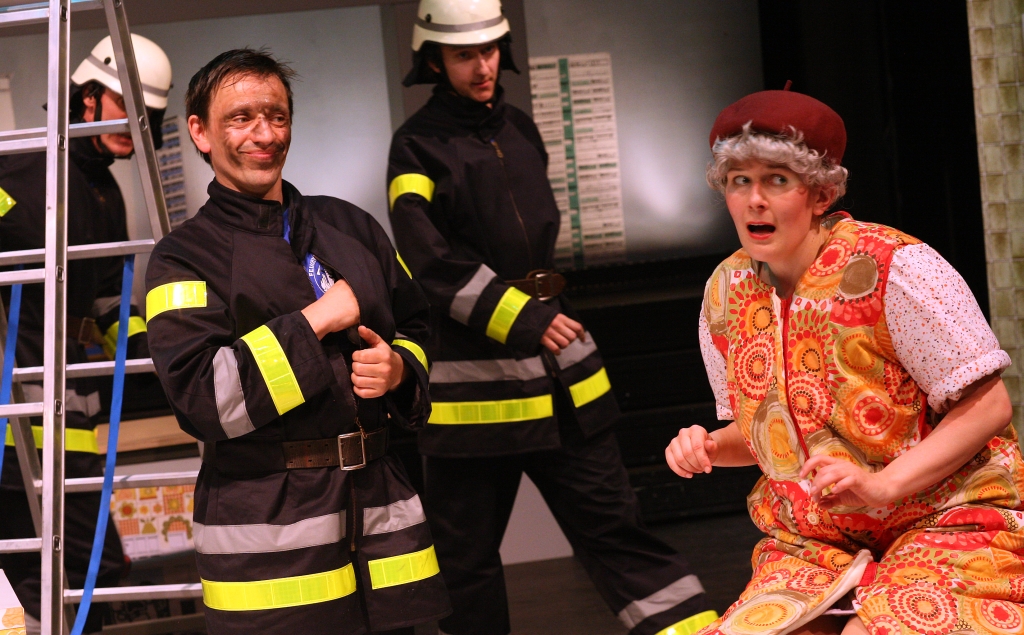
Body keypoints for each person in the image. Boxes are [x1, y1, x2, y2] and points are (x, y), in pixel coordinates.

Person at [387, 2, 715, 634]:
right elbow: (426, 260)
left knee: (618, 531)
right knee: (465, 563)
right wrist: (525, 319)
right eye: (463, 55)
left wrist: (539, 320)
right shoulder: (415, 146)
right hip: (476, 399)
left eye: (488, 51)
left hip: (562, 378)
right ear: (434, 61)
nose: (481, 67)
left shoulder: (519, 128)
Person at [667, 87, 1024, 635]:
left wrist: (884, 485)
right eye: (739, 181)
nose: (754, 199)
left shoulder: (898, 267)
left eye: (776, 180)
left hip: (949, 522)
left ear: (821, 193)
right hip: (814, 544)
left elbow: (989, 406)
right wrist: (711, 446)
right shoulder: (725, 292)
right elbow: (764, 434)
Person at [145, 49, 450, 635]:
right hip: (269, 547)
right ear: (200, 132)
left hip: (384, 532)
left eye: (277, 116)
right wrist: (314, 323)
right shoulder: (181, 259)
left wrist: (398, 370)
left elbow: (417, 326)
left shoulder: (353, 227)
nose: (265, 135)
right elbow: (205, 401)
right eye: (241, 118)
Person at [0, 33, 172, 634]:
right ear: (87, 96)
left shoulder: (103, 191)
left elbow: (107, 302)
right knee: (52, 567)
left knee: (80, 568)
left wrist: (149, 352)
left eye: (145, 113)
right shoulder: (26, 168)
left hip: (71, 414)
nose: (133, 123)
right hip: (16, 420)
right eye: (124, 104)